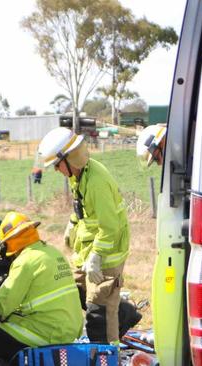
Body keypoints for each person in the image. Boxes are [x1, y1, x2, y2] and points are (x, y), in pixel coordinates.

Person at [38, 127, 129, 346]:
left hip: (107, 255)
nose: (57, 170)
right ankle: (126, 312)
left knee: (98, 316)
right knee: (73, 291)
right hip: (87, 253)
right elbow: (84, 209)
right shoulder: (79, 175)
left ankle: (108, 356)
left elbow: (111, 227)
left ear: (68, 158)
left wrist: (97, 257)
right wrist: (72, 222)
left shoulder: (96, 182)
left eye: (57, 165)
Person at [0, 211, 83, 362]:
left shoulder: (25, 261)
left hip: (44, 332)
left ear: (8, 243)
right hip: (69, 329)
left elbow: (1, 306)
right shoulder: (53, 252)